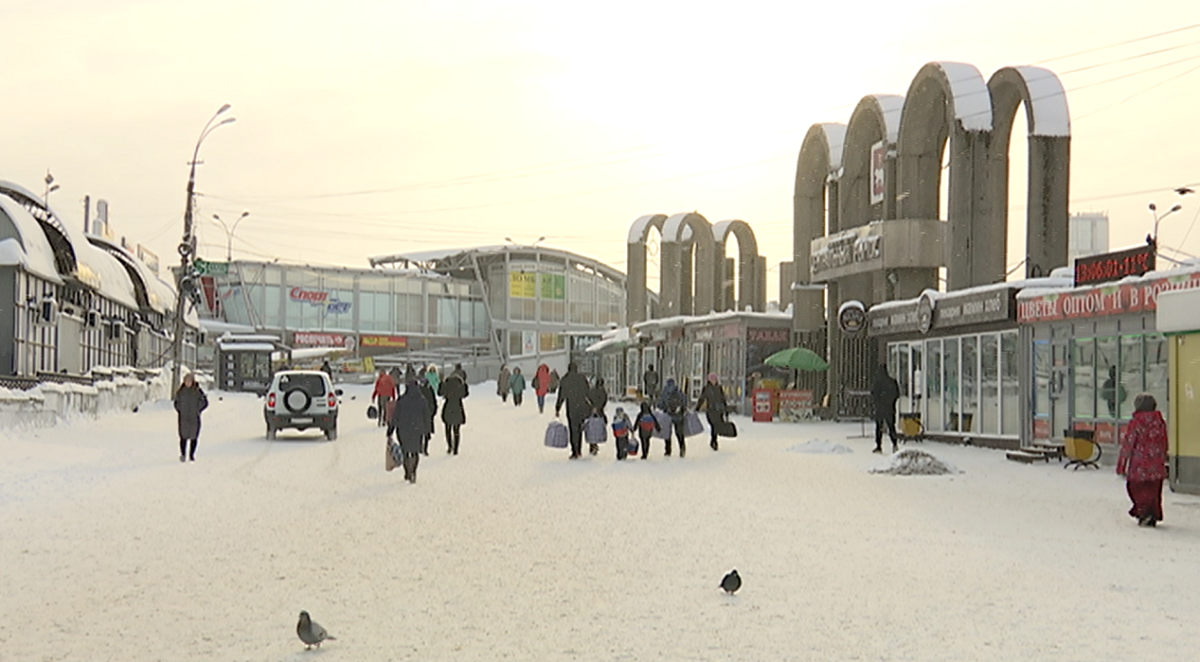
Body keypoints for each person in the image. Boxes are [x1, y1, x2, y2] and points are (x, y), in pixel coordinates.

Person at [1117, 393, 1169, 527]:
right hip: (1156, 463)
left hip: (1139, 464)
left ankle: (1144, 512)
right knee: (1154, 491)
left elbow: (1129, 443)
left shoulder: (1136, 422)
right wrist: (1164, 456)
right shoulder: (1159, 422)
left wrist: (1122, 464)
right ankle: (1152, 513)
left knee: (1136, 488)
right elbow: (1164, 441)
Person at [388, 380, 430, 483]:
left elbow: (396, 415)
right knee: (415, 452)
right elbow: (426, 416)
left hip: (403, 429)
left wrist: (391, 429)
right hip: (417, 429)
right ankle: (413, 471)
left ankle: (407, 472)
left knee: (405, 452)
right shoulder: (422, 400)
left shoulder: (402, 400)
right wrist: (427, 431)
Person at [554, 362, 591, 460]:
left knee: (573, 429)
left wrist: (558, 408)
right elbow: (588, 392)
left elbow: (561, 395)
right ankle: (579, 449)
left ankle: (574, 450)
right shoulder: (581, 378)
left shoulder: (565, 380)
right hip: (582, 406)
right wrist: (591, 404)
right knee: (579, 429)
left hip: (571, 407)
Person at [174, 372, 209, 462]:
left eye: (189, 381)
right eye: (186, 381)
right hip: (184, 418)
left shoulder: (197, 391)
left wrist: (198, 409)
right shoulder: (181, 392)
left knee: (194, 436)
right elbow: (176, 402)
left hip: (194, 418)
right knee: (183, 436)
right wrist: (180, 410)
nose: (188, 383)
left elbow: (205, 402)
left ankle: (191, 455)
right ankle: (183, 454)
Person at [871, 363, 901, 453]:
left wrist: (878, 403)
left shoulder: (877, 382)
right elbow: (897, 394)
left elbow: (874, 394)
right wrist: (891, 401)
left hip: (880, 408)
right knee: (891, 426)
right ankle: (894, 444)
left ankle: (878, 446)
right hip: (890, 408)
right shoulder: (892, 382)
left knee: (879, 427)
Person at [439, 369, 469, 455]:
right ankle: (456, 449)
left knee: (447, 428)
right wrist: (465, 383)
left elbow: (440, 392)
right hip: (457, 407)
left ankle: (449, 446)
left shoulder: (447, 383)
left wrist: (441, 382)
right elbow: (465, 394)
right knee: (456, 430)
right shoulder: (460, 384)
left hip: (448, 407)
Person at [656, 377, 688, 457]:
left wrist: (665, 408)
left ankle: (668, 450)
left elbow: (659, 404)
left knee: (667, 433)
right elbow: (684, 401)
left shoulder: (664, 392)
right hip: (678, 415)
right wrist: (682, 409)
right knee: (679, 433)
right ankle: (682, 447)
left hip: (668, 415)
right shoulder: (678, 391)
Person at [696, 372, 728, 451]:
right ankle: (714, 441)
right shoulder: (706, 388)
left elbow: (723, 399)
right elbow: (702, 398)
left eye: (715, 379)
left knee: (716, 426)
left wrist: (726, 409)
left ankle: (714, 440)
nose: (713, 381)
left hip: (719, 411)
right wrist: (697, 408)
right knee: (713, 425)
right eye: (712, 379)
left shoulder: (719, 388)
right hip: (711, 411)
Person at [587, 376, 609, 456]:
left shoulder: (592, 390)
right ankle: (595, 443)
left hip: (591, 412)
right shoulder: (603, 392)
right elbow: (604, 401)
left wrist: (592, 407)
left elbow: (588, 398)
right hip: (600, 412)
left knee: (591, 429)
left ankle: (592, 445)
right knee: (597, 428)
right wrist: (599, 408)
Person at [417, 373, 438, 455]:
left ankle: (420, 447)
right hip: (428, 413)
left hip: (420, 412)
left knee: (419, 431)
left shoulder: (418, 390)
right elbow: (434, 401)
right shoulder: (430, 390)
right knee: (426, 431)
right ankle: (425, 448)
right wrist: (434, 411)